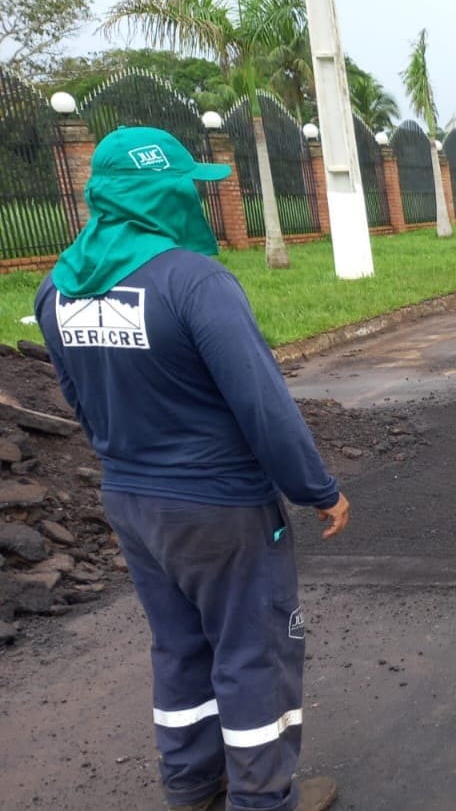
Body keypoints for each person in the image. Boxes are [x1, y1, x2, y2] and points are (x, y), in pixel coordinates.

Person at [33, 126, 349, 811]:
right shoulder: (194, 282)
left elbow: (79, 400)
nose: (195, 203)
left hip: (131, 502)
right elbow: (262, 405)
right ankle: (262, 800)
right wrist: (317, 490)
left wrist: (128, 461)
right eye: (186, 190)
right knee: (253, 649)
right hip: (220, 508)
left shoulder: (57, 288)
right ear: (160, 196)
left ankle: (192, 786)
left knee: (179, 647)